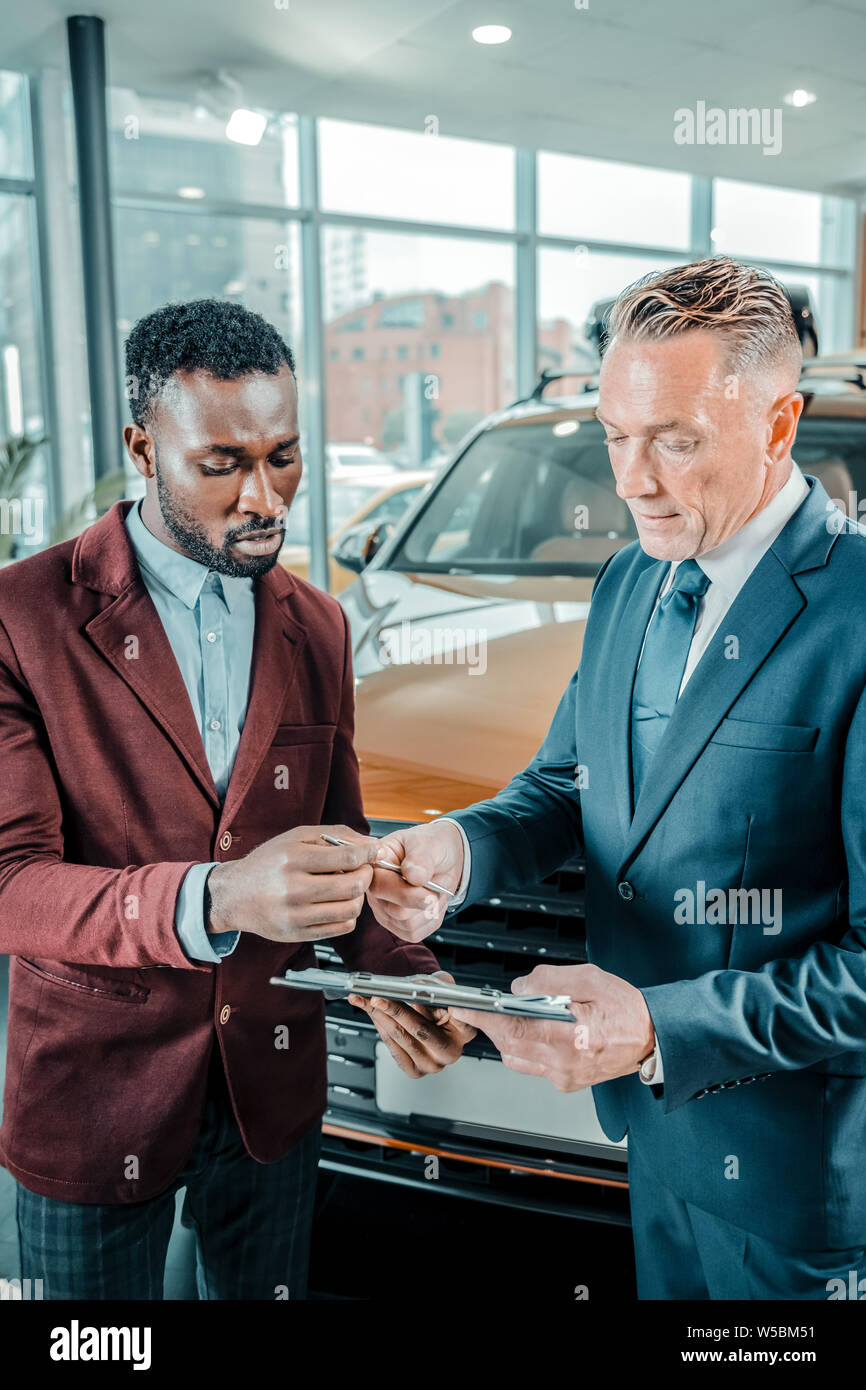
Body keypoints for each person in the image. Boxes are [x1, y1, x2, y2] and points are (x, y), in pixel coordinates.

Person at [365, 257, 866, 1300]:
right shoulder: (629, 578)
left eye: (673, 441)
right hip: (654, 1143)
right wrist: (457, 850)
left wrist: (653, 1025)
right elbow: (562, 785)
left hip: (796, 1192)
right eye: (614, 435)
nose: (629, 481)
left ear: (776, 428)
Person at [0, 297, 463, 1301]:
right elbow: (13, 886)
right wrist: (216, 896)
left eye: (284, 455)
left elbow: (338, 842)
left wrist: (404, 973)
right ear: (142, 446)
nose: (266, 497)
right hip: (92, 1093)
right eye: (223, 464)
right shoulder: (21, 616)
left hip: (271, 1092)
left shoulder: (319, 626)